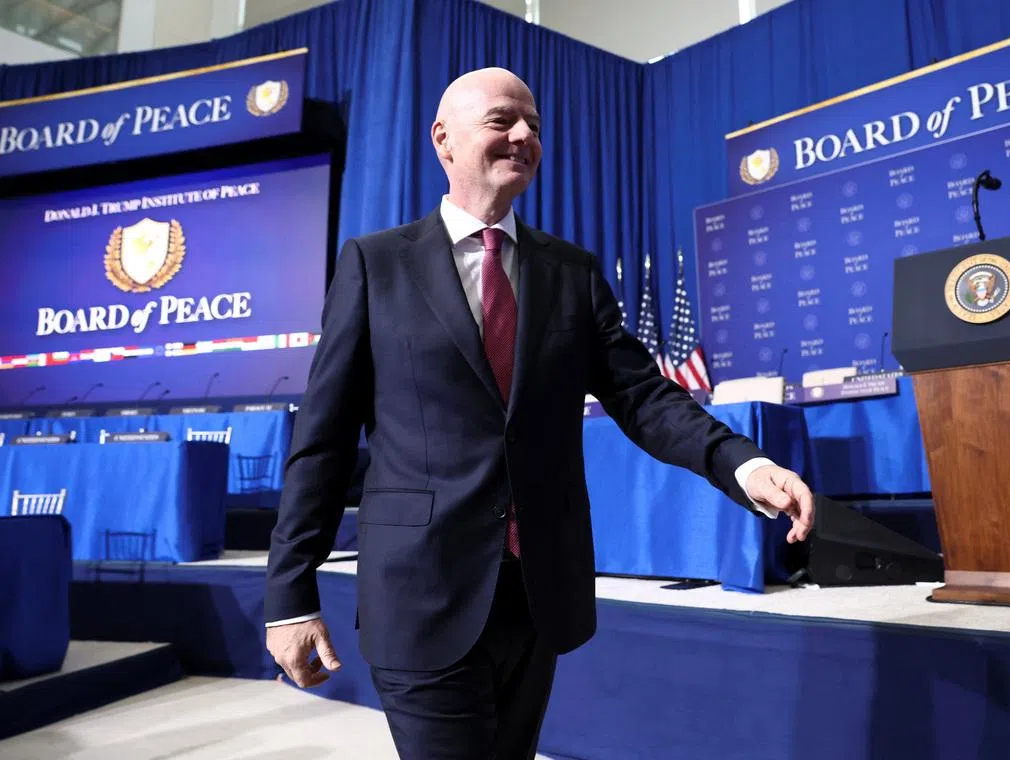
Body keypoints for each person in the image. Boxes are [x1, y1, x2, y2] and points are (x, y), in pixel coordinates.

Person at [264, 67, 814, 759]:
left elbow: (644, 397)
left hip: (536, 595)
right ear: (445, 139)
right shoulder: (376, 266)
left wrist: (744, 463)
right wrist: (290, 595)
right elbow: (324, 440)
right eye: (502, 120)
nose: (524, 135)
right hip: (421, 594)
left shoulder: (570, 273)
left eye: (534, 125)